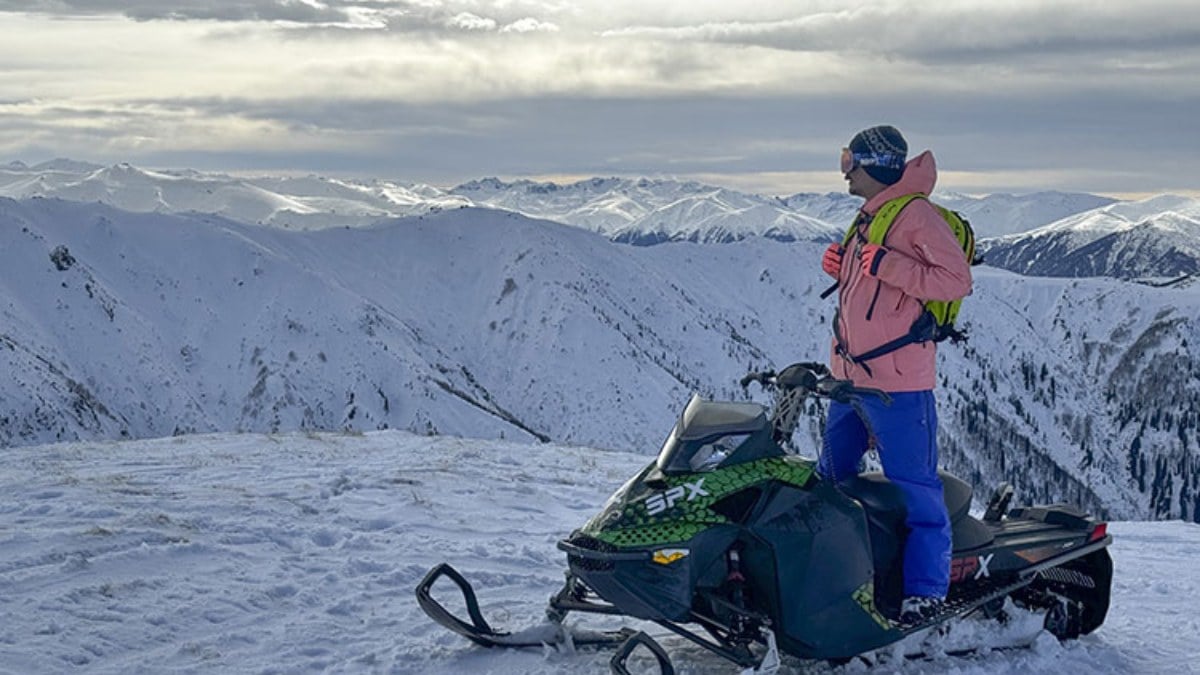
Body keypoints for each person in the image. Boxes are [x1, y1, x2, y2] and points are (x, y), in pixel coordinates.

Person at [818, 125, 972, 625]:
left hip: (898, 382)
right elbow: (872, 289)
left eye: (849, 162)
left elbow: (955, 279)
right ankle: (843, 575)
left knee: (916, 490)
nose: (845, 172)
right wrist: (842, 267)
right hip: (850, 378)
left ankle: (925, 594)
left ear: (874, 165)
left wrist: (885, 265)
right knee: (831, 484)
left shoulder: (915, 215)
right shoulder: (871, 216)